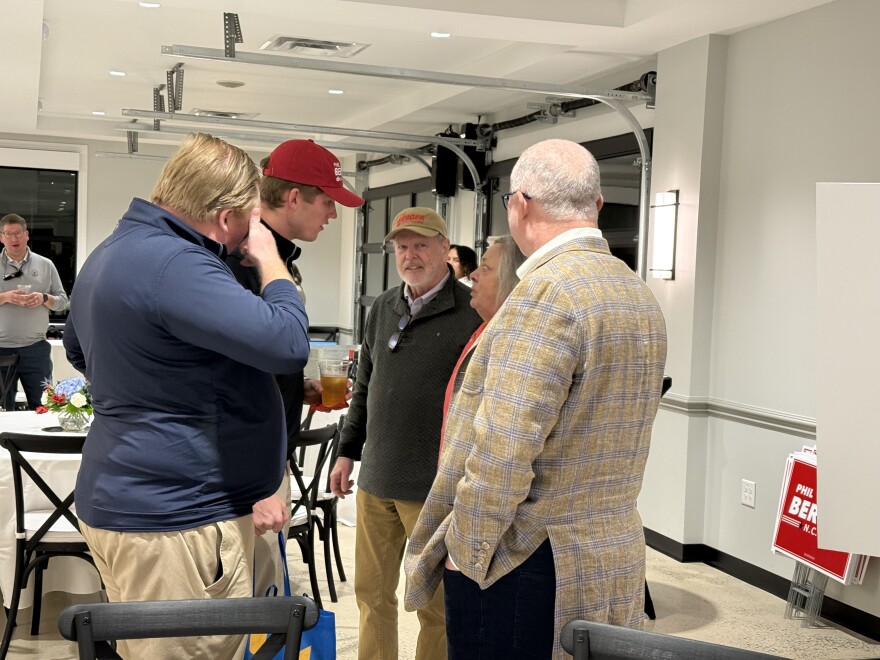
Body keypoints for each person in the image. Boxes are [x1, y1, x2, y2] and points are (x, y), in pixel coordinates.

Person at [404, 138, 668, 660]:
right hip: (609, 552)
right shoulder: (636, 292)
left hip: (523, 558)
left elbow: (503, 448)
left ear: (520, 205)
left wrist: (466, 551)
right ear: (595, 204)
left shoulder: (545, 296)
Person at [63, 132, 311, 660]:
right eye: (250, 219)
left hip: (129, 498)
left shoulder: (112, 251)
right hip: (176, 516)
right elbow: (288, 344)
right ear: (226, 218)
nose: (254, 230)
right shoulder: (176, 264)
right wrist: (270, 262)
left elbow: (80, 353)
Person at [329, 207, 481, 660]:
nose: (410, 256)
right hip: (376, 482)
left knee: (435, 607)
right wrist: (346, 452)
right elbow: (364, 389)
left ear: (443, 249)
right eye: (402, 247)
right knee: (372, 597)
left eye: (420, 245)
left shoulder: (470, 313)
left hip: (432, 489)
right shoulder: (382, 307)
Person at [225, 138, 364, 596]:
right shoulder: (245, 261)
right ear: (292, 197)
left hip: (268, 453)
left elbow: (259, 353)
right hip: (249, 463)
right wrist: (260, 477)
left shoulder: (276, 254)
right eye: (327, 201)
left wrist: (290, 384)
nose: (333, 214)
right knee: (250, 596)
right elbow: (232, 376)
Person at [440, 235, 525, 455]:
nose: (474, 275)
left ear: (513, 282)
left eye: (485, 268)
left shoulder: (514, 346)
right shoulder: (485, 329)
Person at [0, 213, 69, 410]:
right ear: (1, 237)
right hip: (1, 348)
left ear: (27, 235)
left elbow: (63, 302)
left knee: (43, 407)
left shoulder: (46, 265)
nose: (14, 239)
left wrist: (44, 299)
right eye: (9, 234)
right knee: (3, 411)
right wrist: (6, 297)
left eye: (18, 233)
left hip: (35, 348)